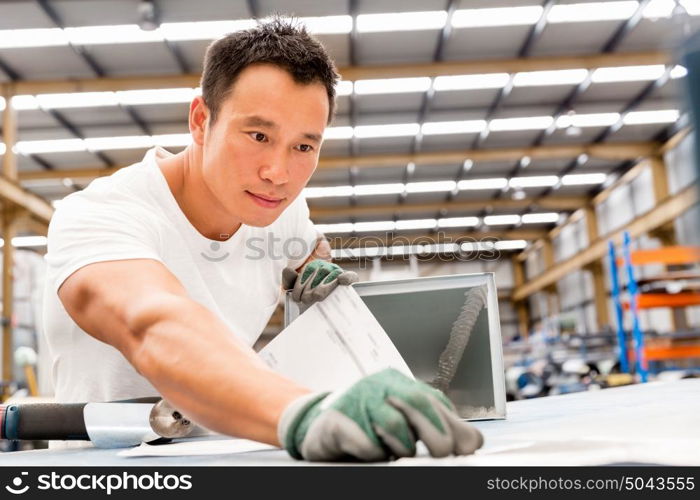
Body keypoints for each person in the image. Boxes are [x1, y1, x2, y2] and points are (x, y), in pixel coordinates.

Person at [42, 18, 483, 461]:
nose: (279, 173)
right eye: (258, 136)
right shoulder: (102, 216)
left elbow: (308, 243)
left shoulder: (282, 212)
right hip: (105, 465)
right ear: (200, 120)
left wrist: (314, 266)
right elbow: (153, 325)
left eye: (304, 147)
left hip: (232, 448)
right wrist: (302, 413)